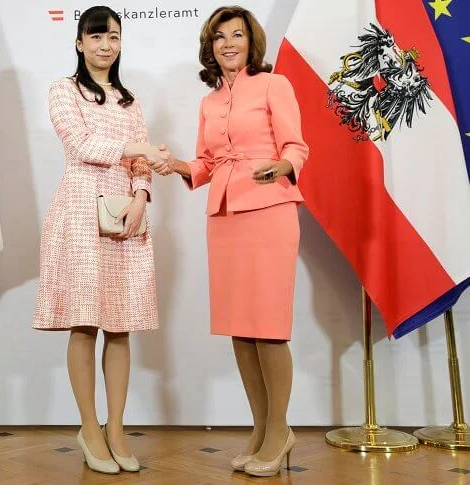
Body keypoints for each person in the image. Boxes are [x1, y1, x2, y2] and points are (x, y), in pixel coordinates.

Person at [150, 6, 309, 477]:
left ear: (251, 41)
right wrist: (173, 164)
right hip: (224, 215)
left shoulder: (273, 84)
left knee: (269, 327)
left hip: (269, 208)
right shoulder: (209, 102)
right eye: (219, 37)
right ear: (210, 46)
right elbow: (205, 164)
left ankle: (280, 432)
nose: (229, 44)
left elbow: (296, 146)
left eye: (237, 35)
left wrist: (281, 167)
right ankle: (261, 432)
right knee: (241, 329)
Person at [32, 6, 168, 475]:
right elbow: (82, 146)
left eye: (113, 36)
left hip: (125, 217)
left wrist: (141, 196)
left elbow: (142, 165)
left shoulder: (129, 100)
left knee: (121, 324)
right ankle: (89, 426)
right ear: (78, 43)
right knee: (85, 323)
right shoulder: (63, 90)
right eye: (96, 37)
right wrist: (140, 151)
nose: (105, 45)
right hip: (78, 211)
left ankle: (116, 427)